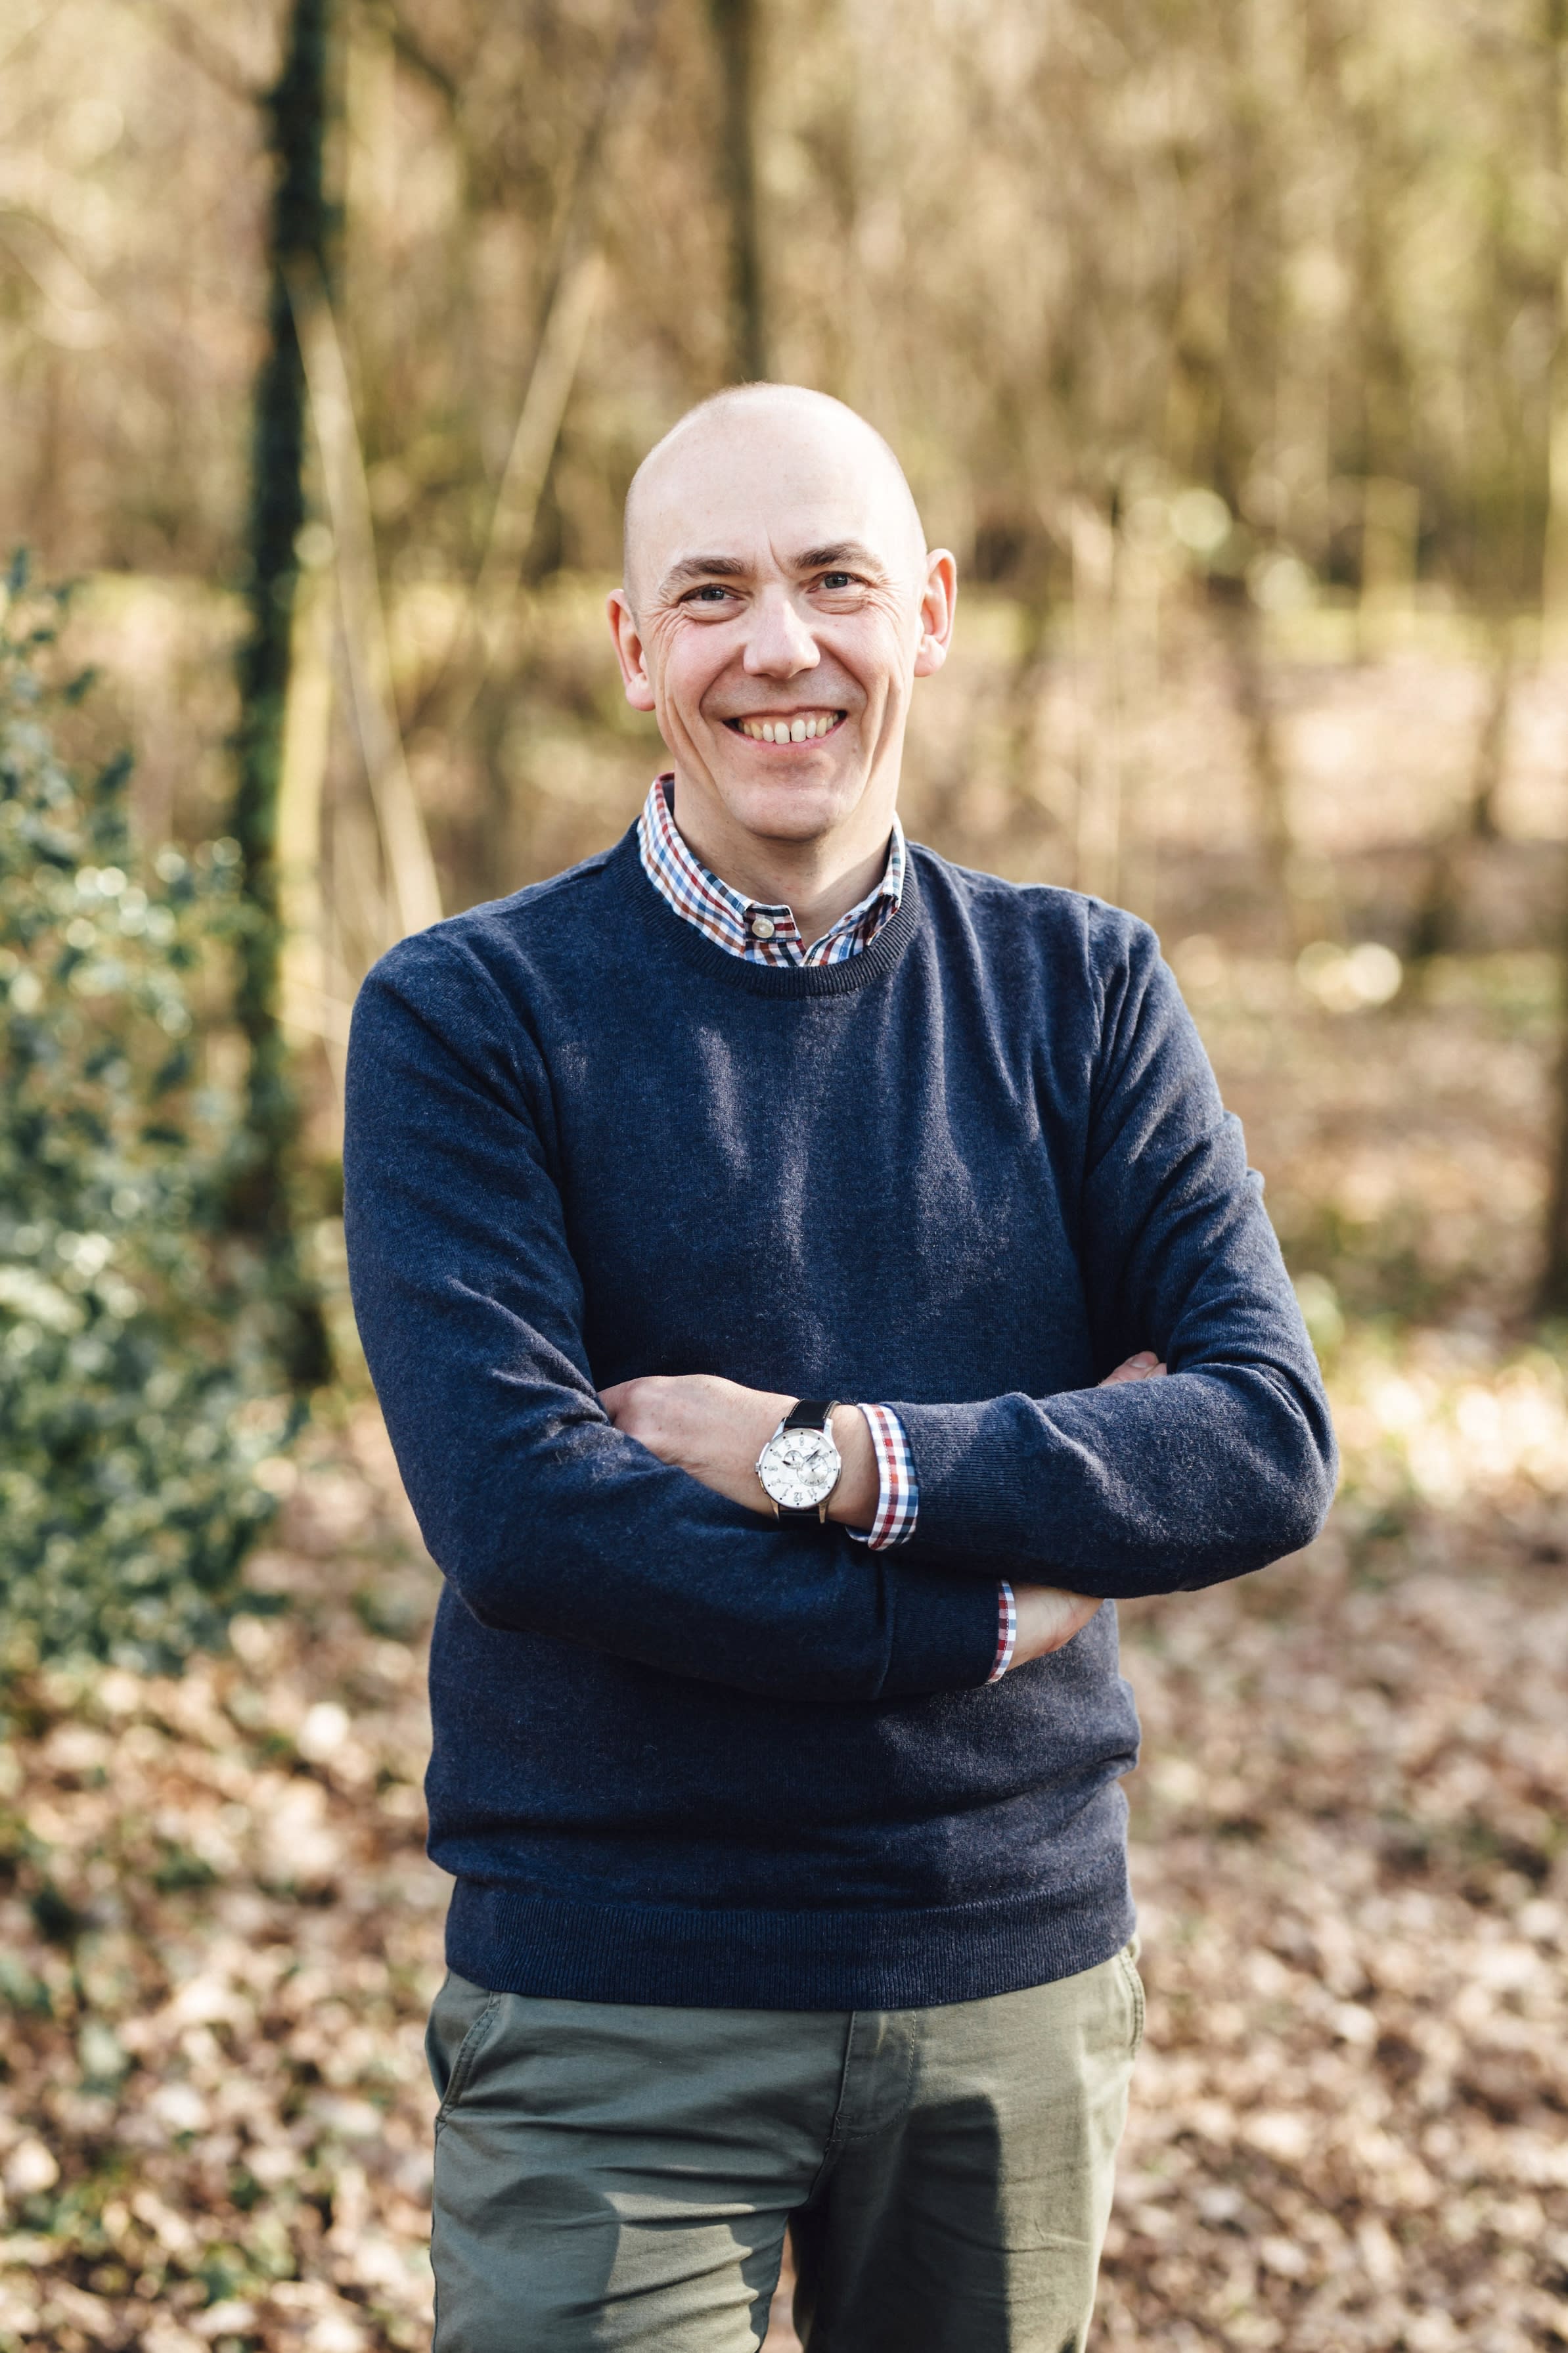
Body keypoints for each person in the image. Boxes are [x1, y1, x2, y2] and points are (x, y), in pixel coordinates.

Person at [342, 383, 1336, 2352]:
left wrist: (830, 1454)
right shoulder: (469, 1017)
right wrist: (981, 1611)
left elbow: (1259, 1439)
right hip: (618, 1994)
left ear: (930, 614)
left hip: (1006, 1982)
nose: (778, 647)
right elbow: (529, 1519)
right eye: (710, 594)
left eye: (835, 582)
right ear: (634, 649)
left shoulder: (1082, 991)